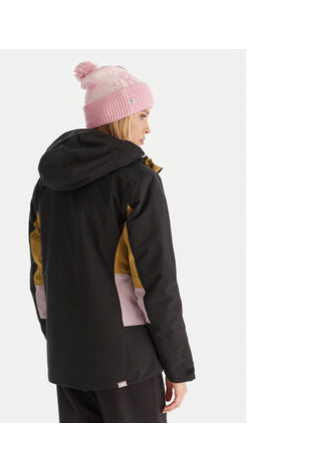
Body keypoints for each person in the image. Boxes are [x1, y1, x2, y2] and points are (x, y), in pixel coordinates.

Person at [28, 61, 196, 423]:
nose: (148, 128)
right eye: (142, 116)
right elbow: (156, 283)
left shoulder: (47, 185)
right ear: (119, 117)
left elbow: (40, 276)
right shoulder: (137, 181)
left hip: (68, 360)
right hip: (127, 362)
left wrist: (61, 339)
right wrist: (178, 367)